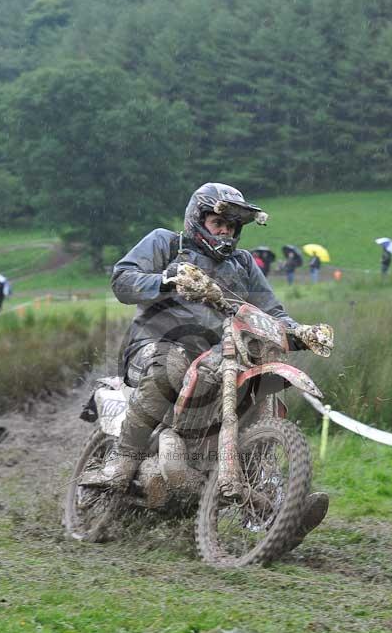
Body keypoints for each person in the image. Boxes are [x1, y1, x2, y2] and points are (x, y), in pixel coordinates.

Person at [85, 182, 332, 533]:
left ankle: (275, 504)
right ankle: (121, 463)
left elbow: (272, 310)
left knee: (257, 393)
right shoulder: (167, 243)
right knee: (170, 364)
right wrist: (167, 278)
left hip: (218, 358)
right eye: (219, 223)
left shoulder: (243, 263)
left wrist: (301, 332)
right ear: (198, 218)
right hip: (154, 345)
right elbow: (122, 279)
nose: (226, 232)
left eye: (232, 226)